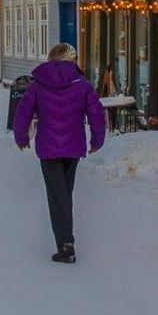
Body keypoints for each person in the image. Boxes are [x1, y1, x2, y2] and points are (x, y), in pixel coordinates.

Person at [13, 43, 106, 264]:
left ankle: (66, 245)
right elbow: (96, 114)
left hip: (48, 148)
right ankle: (66, 241)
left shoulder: (38, 85)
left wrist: (21, 137)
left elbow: (23, 112)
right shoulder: (82, 84)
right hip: (73, 148)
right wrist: (97, 140)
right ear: (71, 60)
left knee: (57, 195)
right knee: (64, 192)